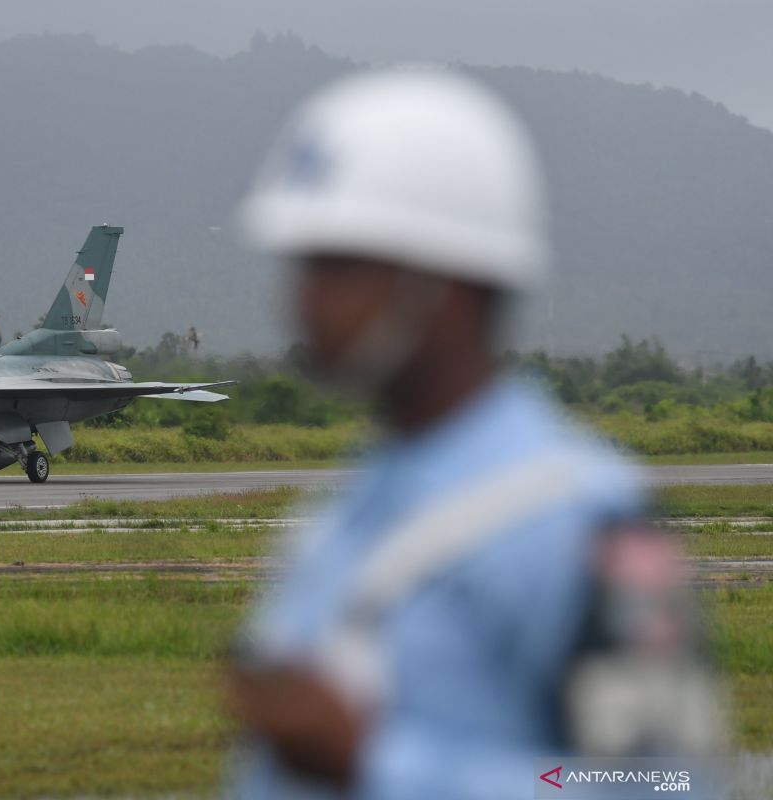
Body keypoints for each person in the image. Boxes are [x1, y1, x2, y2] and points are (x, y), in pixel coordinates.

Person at [227, 68, 720, 799]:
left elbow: (667, 784)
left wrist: (379, 765)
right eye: (302, 265)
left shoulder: (586, 522)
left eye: (338, 266)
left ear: (442, 284)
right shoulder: (344, 514)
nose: (303, 298)